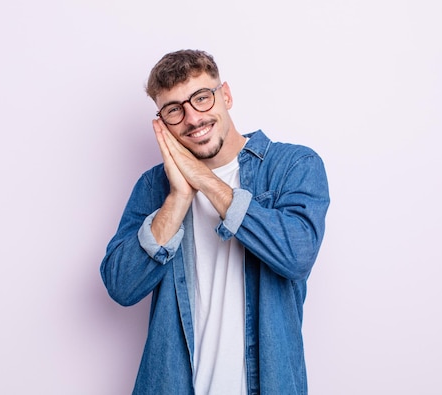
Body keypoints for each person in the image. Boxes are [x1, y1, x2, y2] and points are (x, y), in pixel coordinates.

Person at [100, 49, 330, 395]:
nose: (192, 118)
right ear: (162, 121)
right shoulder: (153, 187)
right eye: (175, 110)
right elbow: (121, 285)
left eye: (202, 98)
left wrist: (206, 181)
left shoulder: (292, 165)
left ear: (226, 95)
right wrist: (178, 198)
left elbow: (296, 255)